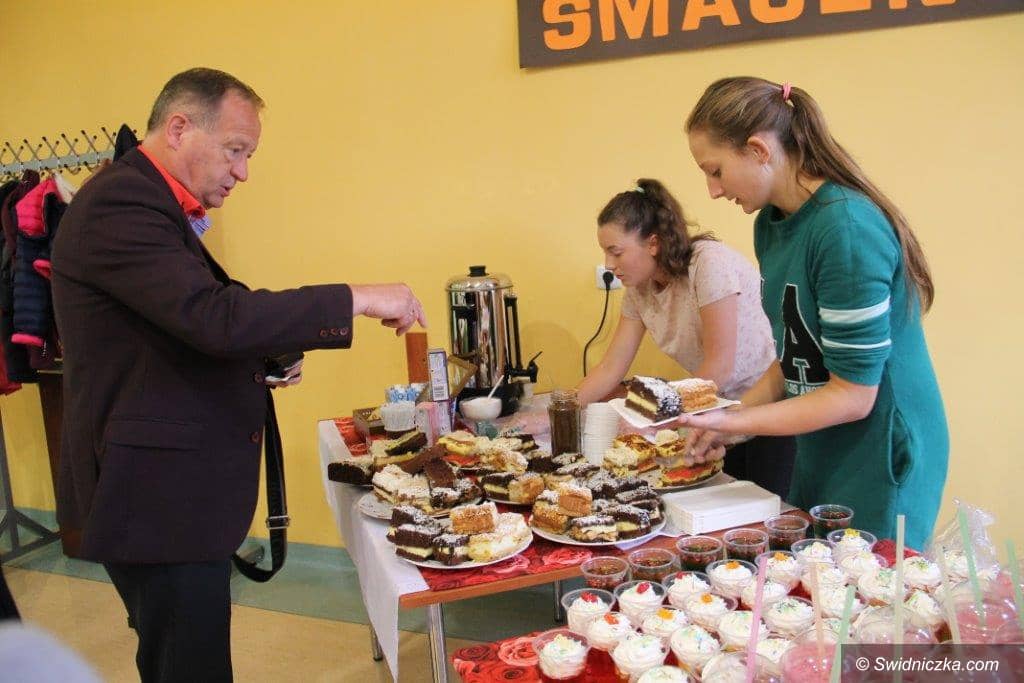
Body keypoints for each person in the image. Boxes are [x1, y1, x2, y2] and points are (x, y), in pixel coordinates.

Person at [51, 68, 427, 682]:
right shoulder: (121, 203)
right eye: (235, 150)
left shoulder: (149, 204)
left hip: (169, 497)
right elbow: (212, 317)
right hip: (154, 499)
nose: (243, 171)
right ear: (179, 128)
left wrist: (266, 355)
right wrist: (356, 297)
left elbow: (173, 325)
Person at [681, 76, 948, 549]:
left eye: (716, 171)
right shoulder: (771, 223)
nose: (713, 191)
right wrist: (734, 416)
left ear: (759, 150)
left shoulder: (846, 229)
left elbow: (853, 396)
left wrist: (731, 423)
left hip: (878, 448)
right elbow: (794, 355)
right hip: (822, 441)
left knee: (865, 583)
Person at [576, 178, 795, 498]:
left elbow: (719, 367)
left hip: (768, 407)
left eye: (616, 252)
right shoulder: (638, 289)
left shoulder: (708, 264)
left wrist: (660, 419)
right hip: (716, 417)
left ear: (653, 243)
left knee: (768, 509)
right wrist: (558, 408)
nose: (609, 265)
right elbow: (611, 367)